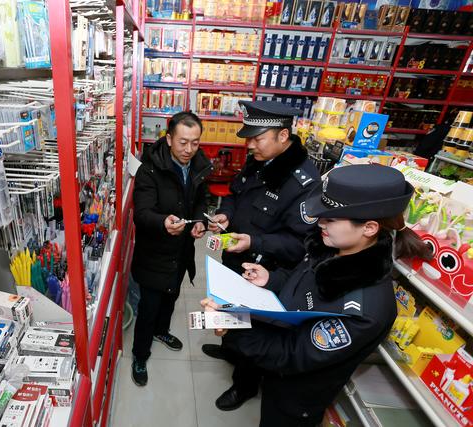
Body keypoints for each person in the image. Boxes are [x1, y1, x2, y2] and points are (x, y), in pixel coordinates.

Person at [201, 164, 431, 426]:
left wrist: (235, 326)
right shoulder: (333, 247)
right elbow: (302, 278)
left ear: (369, 228)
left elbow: (292, 354)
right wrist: (271, 279)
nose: (320, 223)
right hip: (274, 367)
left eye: (331, 219)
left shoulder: (365, 309)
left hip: (294, 396)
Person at [202, 100, 321, 359]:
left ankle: (243, 373)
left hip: (265, 270)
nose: (250, 145)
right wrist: (226, 214)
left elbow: (299, 243)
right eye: (249, 138)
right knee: (230, 312)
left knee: (253, 331)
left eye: (257, 139)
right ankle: (230, 348)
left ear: (283, 135)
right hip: (236, 255)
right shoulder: (259, 160)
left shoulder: (303, 183)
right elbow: (235, 194)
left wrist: (254, 242)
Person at [130, 111, 212, 386]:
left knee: (171, 297)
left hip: (181, 251)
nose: (189, 149)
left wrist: (199, 220)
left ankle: (162, 331)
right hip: (154, 254)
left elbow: (201, 199)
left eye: (195, 143)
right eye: (183, 142)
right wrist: (163, 222)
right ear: (168, 139)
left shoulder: (199, 164)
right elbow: (141, 213)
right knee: (149, 307)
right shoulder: (150, 169)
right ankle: (140, 355)